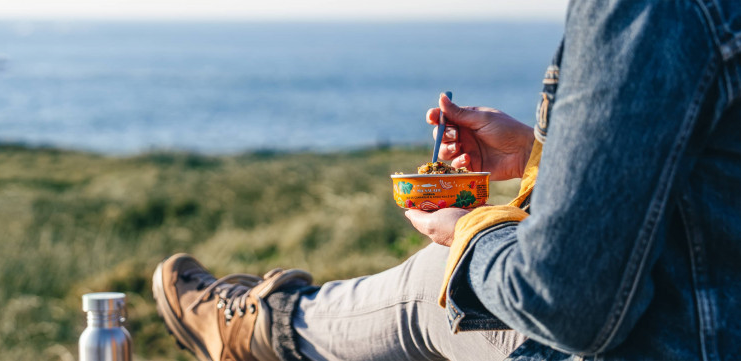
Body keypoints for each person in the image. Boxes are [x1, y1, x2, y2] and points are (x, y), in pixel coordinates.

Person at [152, 0, 741, 359]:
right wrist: (542, 156)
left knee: (438, 288)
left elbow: (568, 301)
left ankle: (263, 327)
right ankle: (264, 324)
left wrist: (468, 231)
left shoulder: (650, 11)